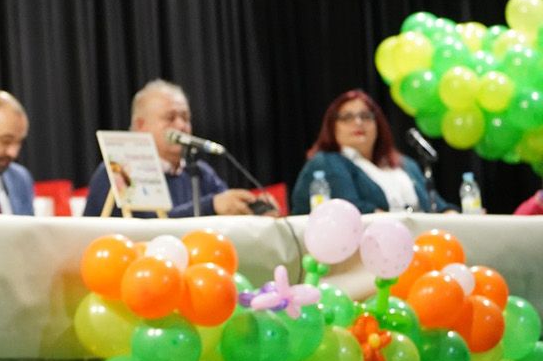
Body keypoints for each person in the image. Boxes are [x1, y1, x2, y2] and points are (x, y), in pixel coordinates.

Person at [83, 80, 264, 217]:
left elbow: (227, 215)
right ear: (141, 126)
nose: (181, 125)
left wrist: (252, 209)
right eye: (170, 118)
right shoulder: (120, 169)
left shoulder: (200, 172)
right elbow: (148, 229)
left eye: (185, 117)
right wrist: (212, 206)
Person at [289, 89, 453, 214]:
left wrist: (453, 215)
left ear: (378, 125)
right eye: (347, 117)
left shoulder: (405, 165)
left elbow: (437, 206)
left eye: (366, 116)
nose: (358, 122)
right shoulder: (327, 161)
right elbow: (352, 209)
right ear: (332, 127)